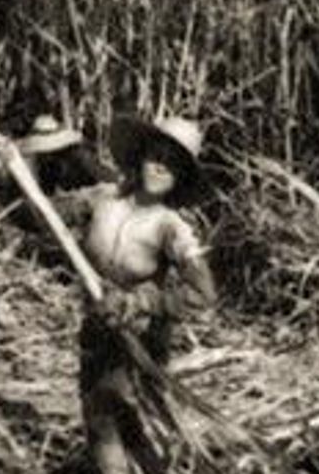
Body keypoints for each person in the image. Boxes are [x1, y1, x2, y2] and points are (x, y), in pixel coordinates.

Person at [77, 115, 217, 474]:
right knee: (103, 419)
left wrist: (140, 302)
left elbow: (203, 295)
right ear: (140, 156)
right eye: (155, 156)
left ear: (180, 178)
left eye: (171, 165)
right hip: (97, 328)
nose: (159, 167)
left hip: (138, 339)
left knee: (124, 419)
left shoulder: (171, 227)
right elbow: (41, 216)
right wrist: (11, 169)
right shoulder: (103, 199)